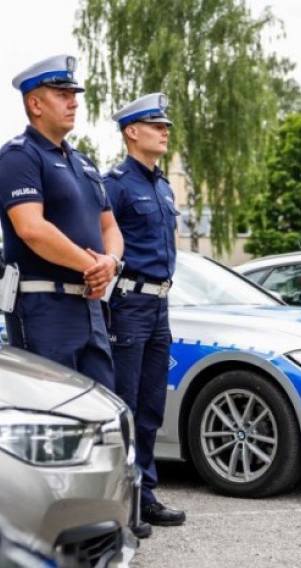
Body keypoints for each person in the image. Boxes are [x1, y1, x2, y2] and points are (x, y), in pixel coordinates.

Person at [0, 54, 123, 390]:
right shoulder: (19, 156)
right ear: (35, 104)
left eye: (74, 95)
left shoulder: (85, 163)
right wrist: (94, 268)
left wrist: (111, 262)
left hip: (90, 307)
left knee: (101, 407)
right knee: (50, 413)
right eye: (62, 94)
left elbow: (110, 227)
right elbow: (32, 229)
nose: (74, 103)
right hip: (44, 309)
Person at [103, 93, 185, 534]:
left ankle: (145, 494)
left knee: (152, 405)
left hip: (159, 305)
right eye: (157, 125)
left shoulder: (163, 186)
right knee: (126, 406)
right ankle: (119, 502)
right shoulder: (113, 184)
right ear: (132, 132)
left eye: (166, 125)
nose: (165, 131)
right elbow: (101, 242)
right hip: (129, 303)